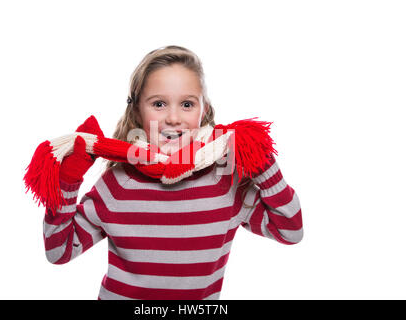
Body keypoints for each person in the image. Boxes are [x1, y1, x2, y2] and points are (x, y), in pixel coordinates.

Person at [43, 45, 303, 300]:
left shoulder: (225, 182)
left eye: (187, 104)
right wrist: (69, 179)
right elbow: (59, 252)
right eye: (159, 103)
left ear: (204, 111)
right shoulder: (117, 184)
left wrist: (263, 164)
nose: (173, 118)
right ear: (136, 111)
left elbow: (290, 231)